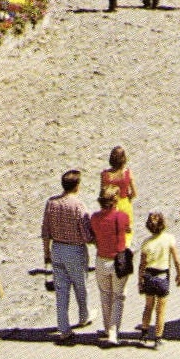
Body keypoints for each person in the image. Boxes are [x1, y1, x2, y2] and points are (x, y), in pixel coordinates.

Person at [43, 168, 95, 342]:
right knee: (81, 286)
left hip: (56, 248)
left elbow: (45, 231)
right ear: (77, 186)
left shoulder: (51, 203)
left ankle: (63, 327)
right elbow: (86, 234)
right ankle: (83, 316)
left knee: (61, 290)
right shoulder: (78, 205)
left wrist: (46, 254)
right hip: (74, 250)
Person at [90, 189, 132, 345]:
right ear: (115, 201)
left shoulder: (94, 218)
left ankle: (108, 328)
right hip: (118, 260)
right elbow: (128, 229)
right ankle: (113, 333)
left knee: (105, 295)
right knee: (118, 296)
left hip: (101, 259)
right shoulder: (122, 216)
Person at [137, 212, 180, 348]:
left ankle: (144, 334)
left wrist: (140, 280)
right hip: (163, 275)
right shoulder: (169, 239)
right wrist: (179, 274)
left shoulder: (146, 242)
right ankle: (157, 338)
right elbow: (176, 260)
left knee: (148, 306)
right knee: (161, 310)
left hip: (149, 275)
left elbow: (142, 264)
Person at [102, 147, 136, 220]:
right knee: (126, 230)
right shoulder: (128, 173)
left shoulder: (104, 174)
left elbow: (102, 194)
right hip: (124, 204)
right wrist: (128, 198)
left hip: (109, 206)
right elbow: (134, 193)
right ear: (123, 159)